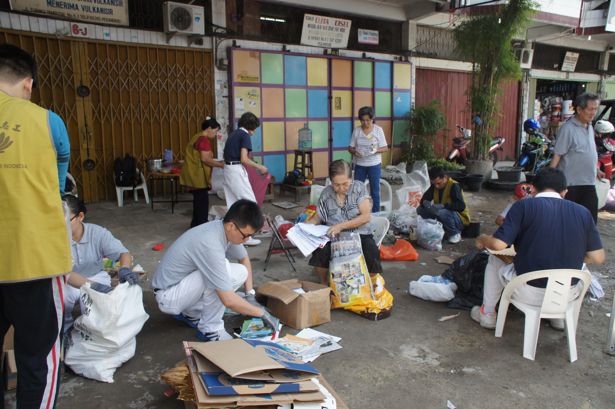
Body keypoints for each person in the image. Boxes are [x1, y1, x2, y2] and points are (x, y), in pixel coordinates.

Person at [0, 44, 72, 409]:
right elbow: (59, 180)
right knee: (38, 356)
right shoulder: (47, 120)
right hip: (33, 258)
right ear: (28, 83)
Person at [471, 168, 604, 330]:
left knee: (493, 258)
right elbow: (597, 257)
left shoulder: (523, 206)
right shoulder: (583, 213)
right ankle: (558, 319)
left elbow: (498, 245)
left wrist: (483, 239)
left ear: (532, 188)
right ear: (564, 192)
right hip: (567, 295)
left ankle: (488, 314)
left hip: (529, 291)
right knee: (581, 270)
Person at [152, 199, 279, 341]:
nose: (247, 239)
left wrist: (250, 294)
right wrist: (261, 313)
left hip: (181, 287)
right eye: (246, 235)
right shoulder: (210, 242)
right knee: (222, 271)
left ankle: (191, 312)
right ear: (231, 226)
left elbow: (244, 259)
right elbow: (228, 300)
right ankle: (210, 329)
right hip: (168, 296)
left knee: (240, 271)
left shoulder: (224, 229)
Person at [62, 194, 138, 332]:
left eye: (67, 220)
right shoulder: (55, 238)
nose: (61, 224)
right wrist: (91, 286)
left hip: (95, 275)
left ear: (80, 216)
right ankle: (64, 330)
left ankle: (95, 334)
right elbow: (64, 273)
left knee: (100, 308)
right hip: (67, 281)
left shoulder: (97, 232)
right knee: (60, 300)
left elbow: (123, 253)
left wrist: (125, 269)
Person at [307, 160, 382, 284]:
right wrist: (302, 229)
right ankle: (324, 284)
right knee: (320, 251)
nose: (341, 188)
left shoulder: (359, 188)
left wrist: (341, 226)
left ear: (351, 178)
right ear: (331, 181)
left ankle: (370, 284)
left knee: (371, 251)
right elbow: (317, 218)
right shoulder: (326, 193)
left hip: (359, 234)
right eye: (336, 185)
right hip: (333, 236)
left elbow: (366, 217)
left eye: (345, 184)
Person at [550, 92, 601, 222]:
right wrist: (550, 180)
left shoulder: (590, 127)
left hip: (589, 183)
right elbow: (557, 156)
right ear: (579, 109)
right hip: (570, 186)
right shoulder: (567, 129)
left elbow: (588, 151)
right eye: (590, 109)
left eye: (596, 109)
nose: (593, 112)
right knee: (569, 222)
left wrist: (597, 169)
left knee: (589, 222)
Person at [222, 112, 268, 246]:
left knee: (233, 204)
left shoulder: (233, 134)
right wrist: (260, 167)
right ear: (250, 127)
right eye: (254, 129)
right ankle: (247, 237)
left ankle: (230, 235)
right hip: (236, 170)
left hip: (227, 169)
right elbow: (244, 159)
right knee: (249, 204)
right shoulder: (245, 135)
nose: (254, 133)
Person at [180, 117, 224, 228]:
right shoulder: (203, 140)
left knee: (198, 202)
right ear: (209, 128)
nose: (215, 134)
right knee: (202, 203)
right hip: (198, 176)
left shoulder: (196, 137)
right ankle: (201, 227)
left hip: (192, 175)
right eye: (215, 131)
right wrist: (221, 165)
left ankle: (195, 225)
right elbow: (205, 159)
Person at [348, 106, 388, 213]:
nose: (365, 123)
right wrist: (355, 152)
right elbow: (350, 148)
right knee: (357, 190)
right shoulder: (357, 131)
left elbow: (385, 147)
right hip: (360, 165)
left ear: (372, 119)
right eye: (363, 120)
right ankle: (358, 213)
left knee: (375, 191)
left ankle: (375, 214)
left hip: (374, 165)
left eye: (368, 120)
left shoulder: (378, 130)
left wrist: (375, 150)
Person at [417, 166, 470, 244]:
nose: (436, 186)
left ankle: (455, 233)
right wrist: (426, 203)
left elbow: (461, 206)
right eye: (434, 184)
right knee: (420, 210)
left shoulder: (454, 186)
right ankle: (435, 230)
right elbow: (424, 200)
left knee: (441, 212)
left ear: (445, 177)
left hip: (459, 220)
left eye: (439, 183)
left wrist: (444, 206)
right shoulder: (435, 185)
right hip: (442, 216)